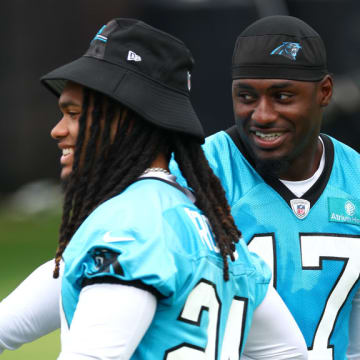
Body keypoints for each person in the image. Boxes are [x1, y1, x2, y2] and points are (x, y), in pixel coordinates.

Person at [0, 18, 308, 359]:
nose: (57, 131)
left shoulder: (128, 230)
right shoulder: (226, 242)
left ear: (129, 119)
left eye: (74, 114)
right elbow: (290, 353)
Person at [172, 15, 360, 360]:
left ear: (325, 92)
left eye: (282, 96)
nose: (261, 115)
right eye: (246, 96)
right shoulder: (194, 173)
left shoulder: (356, 180)